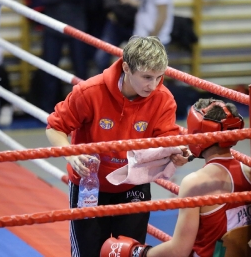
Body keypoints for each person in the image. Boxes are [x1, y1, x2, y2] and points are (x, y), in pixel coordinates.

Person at [46, 36, 190, 257]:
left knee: (131, 252)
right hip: (91, 184)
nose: (152, 85)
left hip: (134, 182)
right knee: (88, 253)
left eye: (159, 77)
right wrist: (71, 155)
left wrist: (177, 155)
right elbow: (55, 127)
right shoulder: (90, 91)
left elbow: (166, 141)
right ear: (126, 68)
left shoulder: (163, 98)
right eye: (147, 77)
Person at [100, 98, 251, 257]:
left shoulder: (196, 183)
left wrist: (137, 252)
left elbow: (179, 251)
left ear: (198, 132)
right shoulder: (250, 172)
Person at [37, 0, 90, 113]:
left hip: (77, 26)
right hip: (53, 26)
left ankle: (83, 109)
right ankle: (47, 109)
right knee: (49, 69)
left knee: (80, 70)